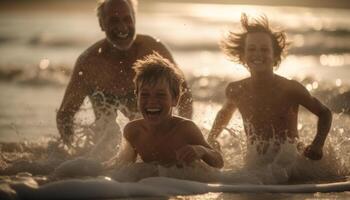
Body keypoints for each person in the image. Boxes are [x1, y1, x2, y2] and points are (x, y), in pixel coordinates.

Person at [56, 0, 193, 149]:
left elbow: (184, 93)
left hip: (151, 146)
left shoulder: (152, 51)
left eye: (127, 19)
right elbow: (65, 114)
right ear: (102, 24)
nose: (122, 27)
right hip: (105, 151)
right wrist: (72, 152)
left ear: (134, 18)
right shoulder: (89, 63)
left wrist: (181, 138)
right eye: (114, 20)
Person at [207, 13, 332, 161]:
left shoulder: (290, 89)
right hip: (257, 166)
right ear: (242, 56)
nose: (258, 54)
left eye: (265, 49)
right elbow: (224, 113)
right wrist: (212, 138)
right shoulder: (237, 89)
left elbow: (325, 113)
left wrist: (317, 145)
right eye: (252, 49)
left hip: (292, 164)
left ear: (275, 56)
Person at [112, 52, 223, 169]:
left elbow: (219, 162)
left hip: (184, 184)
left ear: (175, 99)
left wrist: (201, 150)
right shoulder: (133, 131)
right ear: (137, 98)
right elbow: (122, 170)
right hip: (156, 186)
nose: (152, 101)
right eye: (145, 95)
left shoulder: (185, 129)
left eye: (160, 95)